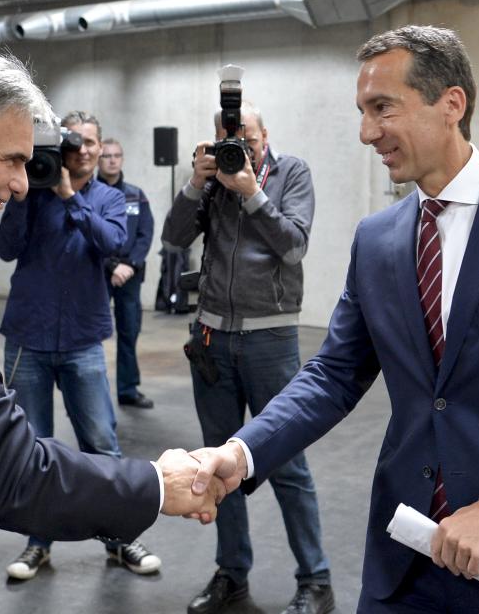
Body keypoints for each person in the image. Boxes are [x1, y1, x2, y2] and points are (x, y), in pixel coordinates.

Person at [0, 43, 222, 614]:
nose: (18, 182)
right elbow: (10, 475)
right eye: (10, 159)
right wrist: (158, 484)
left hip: (80, 333)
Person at [191, 25, 479, 614]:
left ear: (451, 103)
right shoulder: (377, 240)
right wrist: (242, 452)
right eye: (361, 111)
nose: (366, 133)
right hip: (403, 558)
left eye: (383, 108)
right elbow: (334, 373)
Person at [162, 101, 334, 614]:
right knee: (216, 466)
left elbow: (294, 246)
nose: (242, 149)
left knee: (286, 462)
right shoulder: (211, 180)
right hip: (213, 338)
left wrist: (253, 193)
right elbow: (173, 240)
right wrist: (197, 183)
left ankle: (317, 580)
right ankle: (231, 573)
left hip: (270, 339)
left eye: (250, 140)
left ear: (266, 136)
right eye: (229, 141)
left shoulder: (291, 172)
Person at [0, 111, 162, 580]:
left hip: (83, 339)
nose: (85, 150)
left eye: (92, 142)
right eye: (77, 142)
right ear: (61, 146)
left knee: (101, 445)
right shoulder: (33, 191)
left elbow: (113, 242)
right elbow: (7, 248)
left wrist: (69, 197)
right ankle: (37, 543)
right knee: (31, 448)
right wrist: (27, 193)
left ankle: (120, 539)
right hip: (28, 336)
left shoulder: (111, 197)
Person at [97, 137, 155, 409]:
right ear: (98, 159)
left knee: (129, 331)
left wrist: (129, 265)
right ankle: (91, 392)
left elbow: (145, 234)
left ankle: (128, 390)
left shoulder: (135, 194)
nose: (111, 160)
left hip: (129, 276)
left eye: (116, 155)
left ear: (122, 159)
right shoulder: (88, 193)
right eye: (106, 155)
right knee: (91, 335)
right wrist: (110, 265)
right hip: (96, 273)